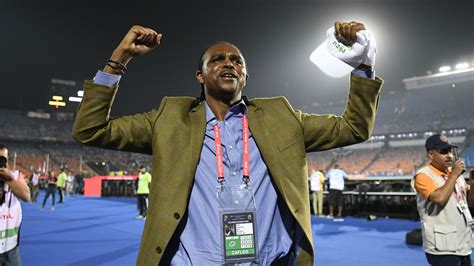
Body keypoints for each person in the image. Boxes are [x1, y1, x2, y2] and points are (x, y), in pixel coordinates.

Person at [72, 22, 383, 265]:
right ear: (200, 75)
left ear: (245, 75)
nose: (228, 63)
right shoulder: (170, 119)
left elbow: (354, 128)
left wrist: (363, 67)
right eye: (217, 59)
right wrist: (119, 59)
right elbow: (91, 129)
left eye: (236, 60)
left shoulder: (281, 116)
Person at [412, 134, 471, 266]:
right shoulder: (423, 175)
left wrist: (472, 182)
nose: (449, 155)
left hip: (463, 242)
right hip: (442, 246)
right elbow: (439, 199)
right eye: (444, 152)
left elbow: (469, 201)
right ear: (431, 155)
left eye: (450, 151)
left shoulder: (453, 173)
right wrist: (455, 174)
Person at [0, 144, 31, 265]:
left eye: (3, 159)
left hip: (11, 249)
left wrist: (9, 179)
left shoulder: (15, 175)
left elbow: (26, 196)